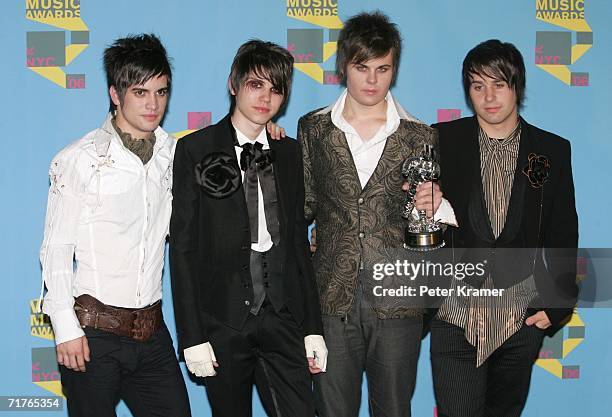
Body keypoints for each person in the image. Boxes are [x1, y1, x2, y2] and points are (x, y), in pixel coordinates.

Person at [296, 11, 454, 417]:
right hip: (331, 299)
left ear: (394, 70)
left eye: (382, 69)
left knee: (395, 410)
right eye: (361, 67)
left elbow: (428, 222)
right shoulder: (313, 130)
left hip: (400, 301)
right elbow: (303, 207)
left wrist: (437, 204)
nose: (371, 80)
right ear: (343, 66)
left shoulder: (420, 136)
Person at [169, 39, 327, 417]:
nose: (265, 98)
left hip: (283, 317)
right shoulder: (195, 148)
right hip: (223, 322)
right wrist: (193, 337)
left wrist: (312, 327)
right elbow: (183, 249)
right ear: (233, 84)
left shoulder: (289, 153)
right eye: (256, 85)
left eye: (275, 89)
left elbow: (297, 244)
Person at [39, 34, 191, 417]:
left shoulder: (177, 156)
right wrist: (64, 326)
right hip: (92, 334)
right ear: (115, 93)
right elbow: (56, 248)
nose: (153, 103)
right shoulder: (78, 159)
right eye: (140, 92)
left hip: (153, 334)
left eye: (161, 91)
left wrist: (266, 131)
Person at [430, 39, 579, 417]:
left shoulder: (552, 150)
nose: (489, 96)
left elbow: (563, 232)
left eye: (499, 84)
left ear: (518, 86)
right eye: (478, 86)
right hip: (454, 315)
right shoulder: (441, 140)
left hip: (520, 319)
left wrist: (558, 302)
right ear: (468, 91)